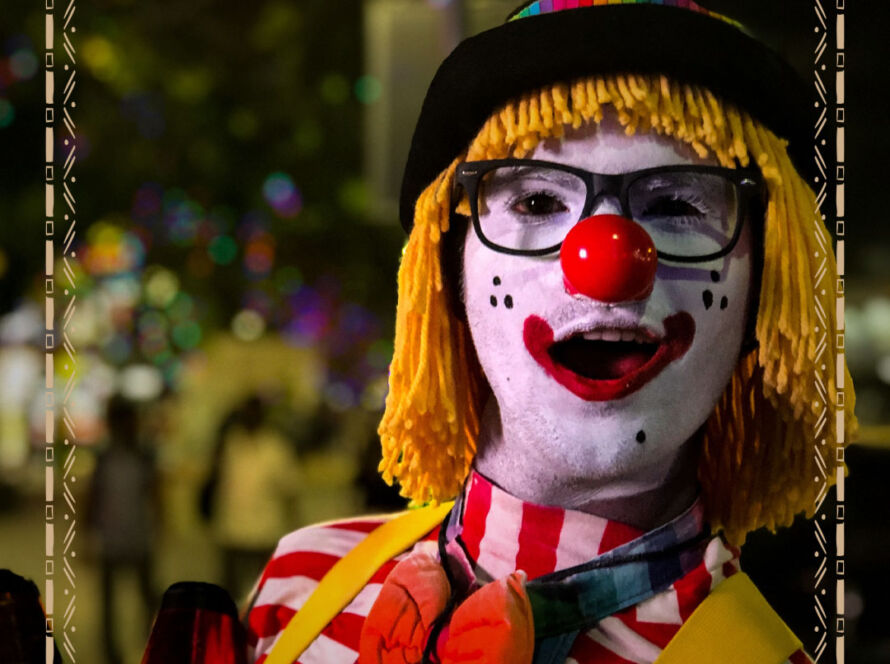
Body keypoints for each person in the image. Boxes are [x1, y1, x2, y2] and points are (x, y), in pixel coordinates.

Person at [246, 2, 856, 662]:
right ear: (448, 272)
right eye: (536, 201)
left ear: (767, 289)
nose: (607, 264)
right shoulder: (299, 590)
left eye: (676, 205)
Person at [87, 394, 158, 664]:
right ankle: (111, 651)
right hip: (113, 538)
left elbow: (155, 493)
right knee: (110, 602)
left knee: (146, 596)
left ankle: (153, 642)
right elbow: (93, 497)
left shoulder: (142, 455)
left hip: (138, 535)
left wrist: (160, 527)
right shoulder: (105, 457)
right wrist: (88, 532)